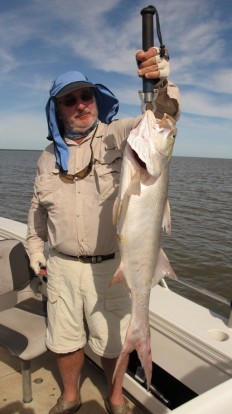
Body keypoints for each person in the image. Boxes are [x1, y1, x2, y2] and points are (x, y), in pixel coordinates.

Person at [27, 47, 180, 414]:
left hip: (110, 265)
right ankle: (70, 396)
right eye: (70, 100)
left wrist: (160, 81)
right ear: (57, 109)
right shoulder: (47, 158)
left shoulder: (122, 136)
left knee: (114, 343)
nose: (81, 104)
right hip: (61, 266)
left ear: (95, 99)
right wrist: (36, 253)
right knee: (64, 341)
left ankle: (115, 398)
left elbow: (163, 119)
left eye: (86, 96)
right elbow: (36, 214)